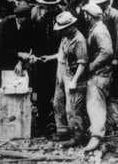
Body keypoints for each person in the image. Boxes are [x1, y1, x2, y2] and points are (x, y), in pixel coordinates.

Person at [90, 0, 118, 132]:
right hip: (107, 58)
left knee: (116, 90)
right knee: (108, 89)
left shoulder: (115, 15)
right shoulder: (101, 16)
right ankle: (109, 121)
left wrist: (115, 59)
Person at [52, 11, 88, 147]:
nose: (62, 31)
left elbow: (82, 63)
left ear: (71, 26)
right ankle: (63, 132)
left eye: (64, 29)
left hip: (74, 77)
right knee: (57, 103)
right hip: (62, 73)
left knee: (72, 109)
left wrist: (74, 81)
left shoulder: (79, 40)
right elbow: (62, 54)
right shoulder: (65, 37)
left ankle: (77, 137)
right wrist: (49, 58)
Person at [30, 0, 62, 137]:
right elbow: (35, 37)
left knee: (57, 91)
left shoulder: (62, 16)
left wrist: (54, 56)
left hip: (58, 60)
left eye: (51, 5)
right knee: (41, 90)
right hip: (42, 60)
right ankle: (42, 122)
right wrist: (35, 55)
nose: (48, 8)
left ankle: (57, 123)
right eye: (46, 5)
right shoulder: (40, 17)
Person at [82, 3, 113, 152]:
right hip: (99, 72)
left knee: (95, 104)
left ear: (91, 16)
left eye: (86, 15)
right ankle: (97, 130)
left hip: (100, 73)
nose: (85, 17)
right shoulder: (96, 28)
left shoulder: (99, 30)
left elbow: (107, 51)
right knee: (95, 103)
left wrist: (92, 66)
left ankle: (97, 136)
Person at [0, 2, 33, 87]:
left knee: (19, 80)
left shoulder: (28, 24)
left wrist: (20, 62)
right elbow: (0, 47)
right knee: (3, 83)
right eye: (22, 18)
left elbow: (26, 46)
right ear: (17, 17)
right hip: (2, 56)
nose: (24, 20)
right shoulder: (5, 24)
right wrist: (17, 54)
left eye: (26, 18)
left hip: (17, 56)